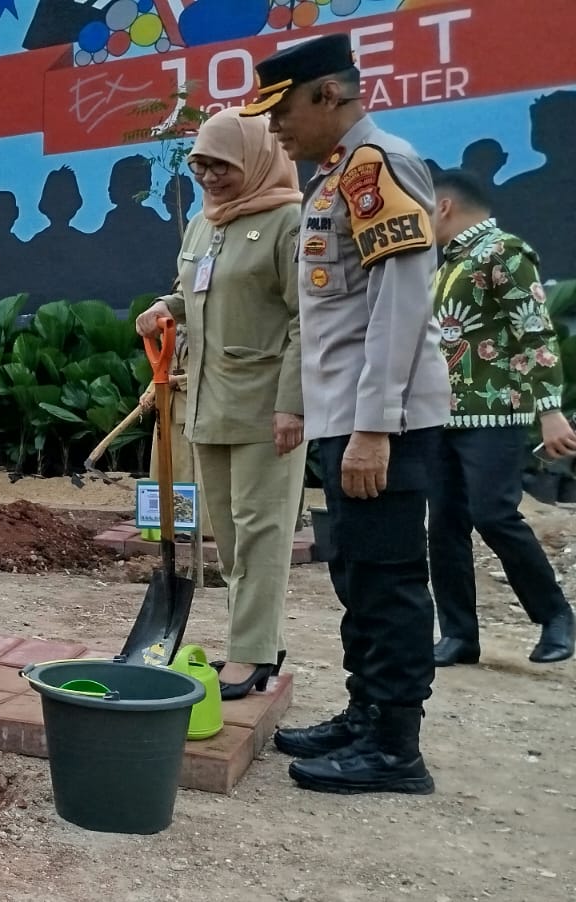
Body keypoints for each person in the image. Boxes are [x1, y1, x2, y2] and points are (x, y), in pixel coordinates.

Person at [244, 33, 450, 795]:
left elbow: (401, 300)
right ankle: (366, 714)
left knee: (388, 579)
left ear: (329, 93)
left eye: (284, 110)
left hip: (380, 423)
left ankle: (395, 747)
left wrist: (373, 426)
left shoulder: (377, 164)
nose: (275, 128)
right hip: (347, 417)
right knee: (358, 573)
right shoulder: (337, 175)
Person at [136, 108, 307, 700]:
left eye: (221, 165)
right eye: (200, 164)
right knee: (229, 534)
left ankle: (251, 653)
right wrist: (165, 309)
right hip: (208, 399)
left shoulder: (289, 222)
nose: (208, 176)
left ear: (255, 160)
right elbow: (195, 294)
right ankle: (257, 641)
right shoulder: (203, 225)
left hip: (267, 407)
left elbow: (305, 321)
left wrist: (294, 405)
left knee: (262, 529)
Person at [427, 169, 574, 666]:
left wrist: (549, 410)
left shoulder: (503, 251)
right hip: (443, 417)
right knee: (443, 526)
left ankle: (555, 616)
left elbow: (535, 331)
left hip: (496, 414)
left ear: (444, 206)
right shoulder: (447, 265)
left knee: (493, 514)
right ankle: (458, 634)